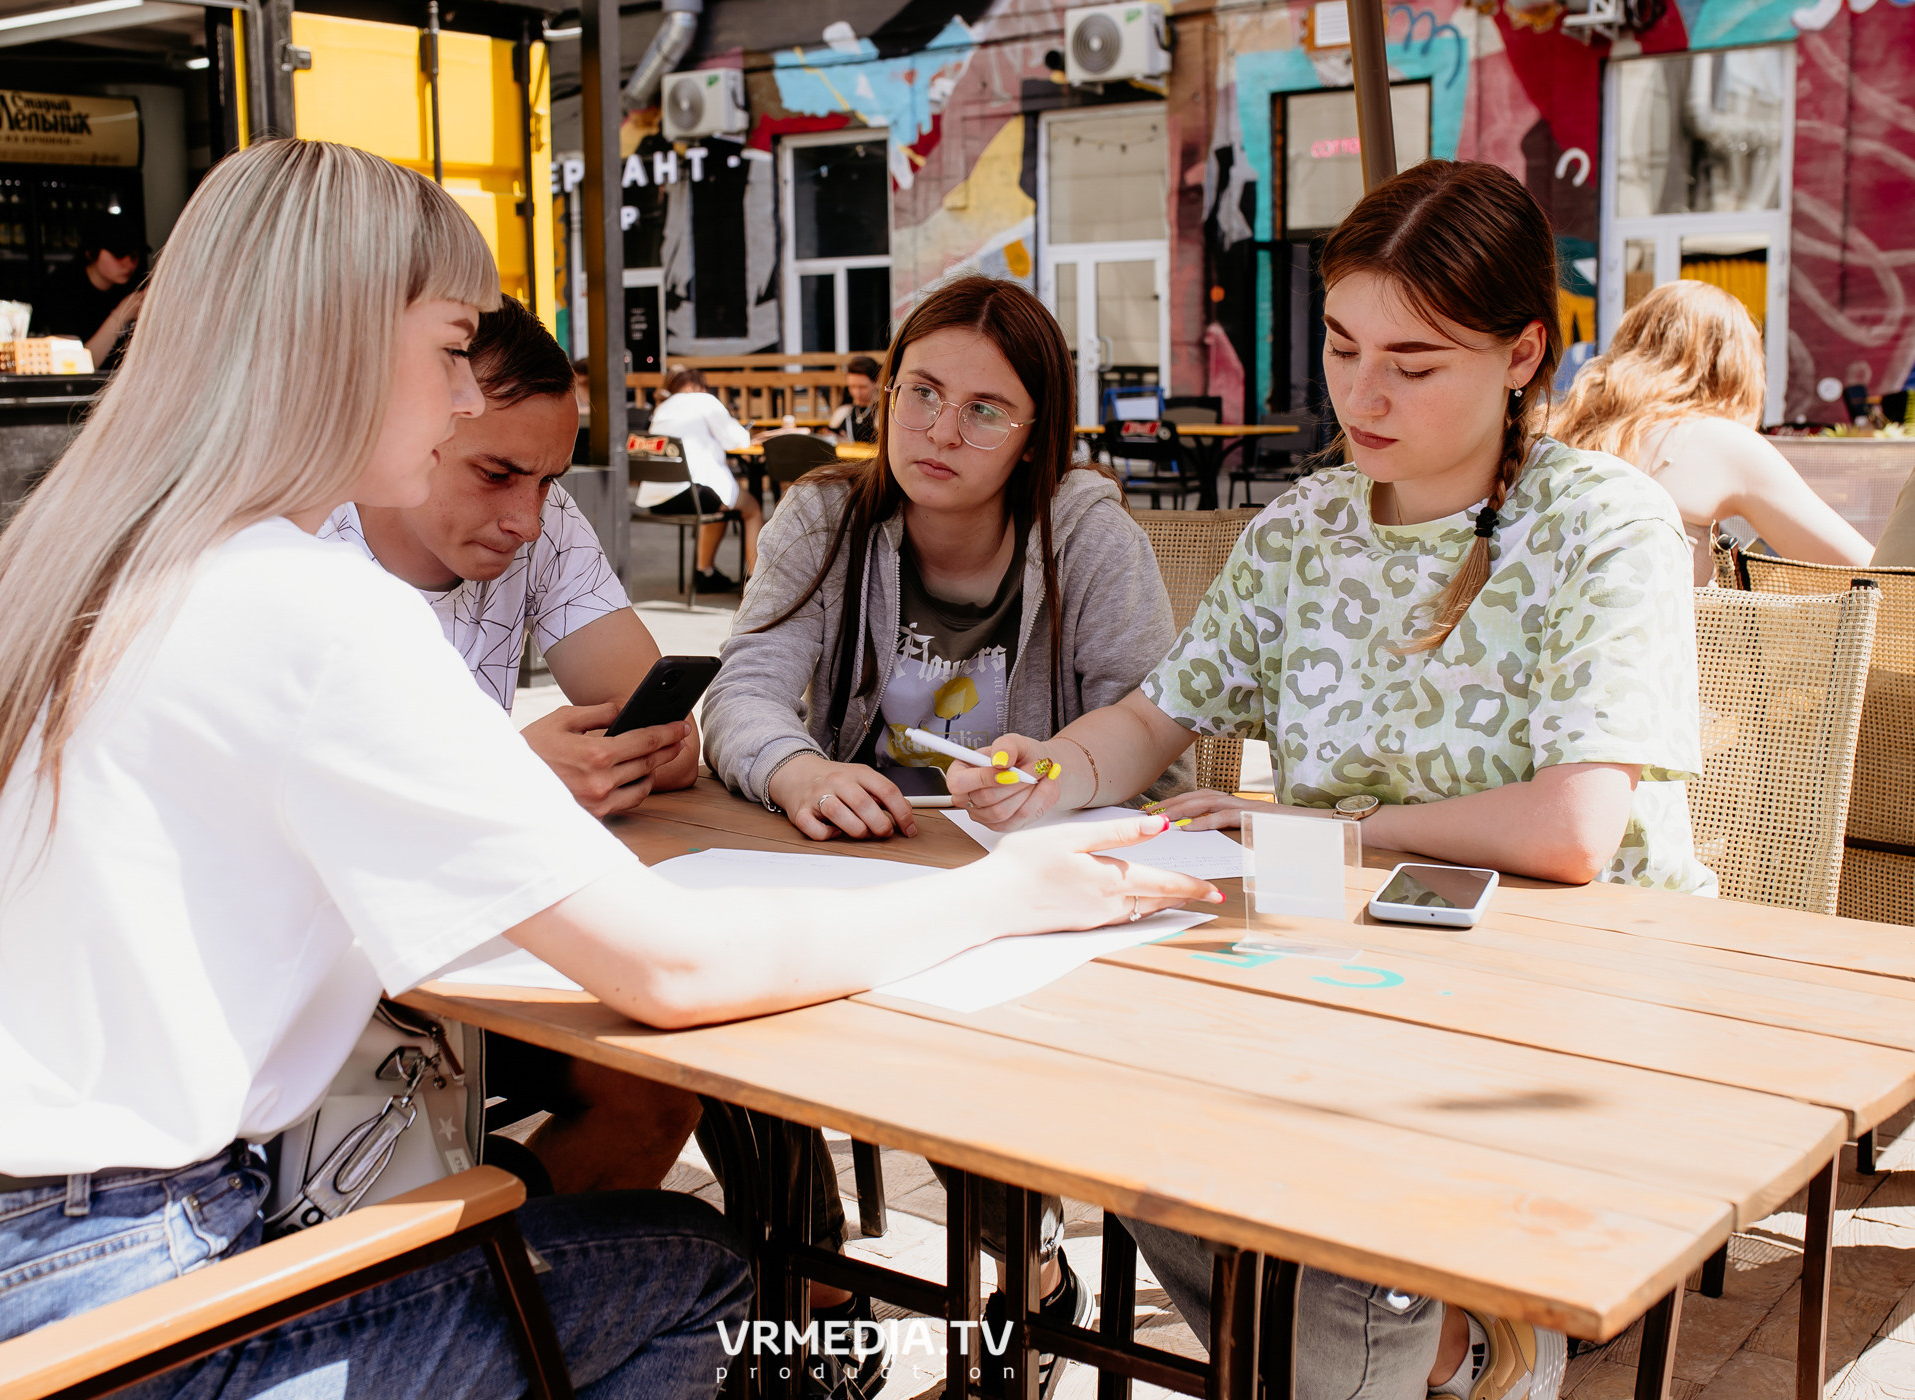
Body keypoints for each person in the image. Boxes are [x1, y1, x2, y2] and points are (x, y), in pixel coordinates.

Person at [0, 139, 1209, 1395]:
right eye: (446, 351)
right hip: (106, 1302)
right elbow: (671, 970)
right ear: (338, 342)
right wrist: (1006, 893)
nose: (458, 401)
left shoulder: (81, 560)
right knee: (703, 1277)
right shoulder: (307, 601)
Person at [949, 161, 1716, 1400]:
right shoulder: (1303, 528)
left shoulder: (1605, 523)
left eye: (1414, 363)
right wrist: (1058, 768)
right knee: (1093, 1095)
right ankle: (1449, 1346)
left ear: (1525, 355)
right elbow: (1157, 711)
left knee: (1299, 1214)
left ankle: (1423, 1336)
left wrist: (1309, 825)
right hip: (1345, 970)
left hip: (1571, 991)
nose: (1362, 391)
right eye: (1343, 343)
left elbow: (1574, 829)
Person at [701, 273, 1186, 1399]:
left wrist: (1061, 774)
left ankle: (1027, 1288)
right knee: (721, 1027)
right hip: (857, 873)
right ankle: (818, 1308)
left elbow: (1160, 721)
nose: (937, 429)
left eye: (983, 409)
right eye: (920, 391)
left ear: (1033, 435)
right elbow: (743, 691)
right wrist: (800, 766)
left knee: (985, 1057)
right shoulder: (828, 516)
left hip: (1021, 891)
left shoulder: (1083, 531)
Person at [319, 294, 702, 1197]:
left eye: (548, 481)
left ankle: (522, 1289)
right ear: (417, 429)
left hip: (493, 943)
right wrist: (515, 774)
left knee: (676, 1077)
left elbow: (646, 716)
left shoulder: (543, 523)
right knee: (702, 1002)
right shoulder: (312, 557)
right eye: (497, 474)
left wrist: (645, 744)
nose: (527, 518)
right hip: (353, 978)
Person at [1547, 279, 1872, 584]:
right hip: (1646, 642)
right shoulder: (1717, 442)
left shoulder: (1550, 425)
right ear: (1736, 369)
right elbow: (1872, 571)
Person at [643, 366, 762, 592]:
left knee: (719, 502)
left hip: (657, 496)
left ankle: (705, 572)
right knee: (752, 508)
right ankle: (756, 581)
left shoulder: (662, 409)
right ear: (696, 385)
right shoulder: (704, 401)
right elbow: (736, 440)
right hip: (692, 492)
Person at [31, 217, 147, 370]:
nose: (128, 264)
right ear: (92, 252)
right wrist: (119, 317)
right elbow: (73, 367)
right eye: (119, 254)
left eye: (134, 256)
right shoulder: (61, 289)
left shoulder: (133, 287)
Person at [828, 354, 881, 444]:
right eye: (852, 386)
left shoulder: (883, 413)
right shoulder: (842, 412)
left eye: (862, 387)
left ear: (876, 381)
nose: (857, 393)